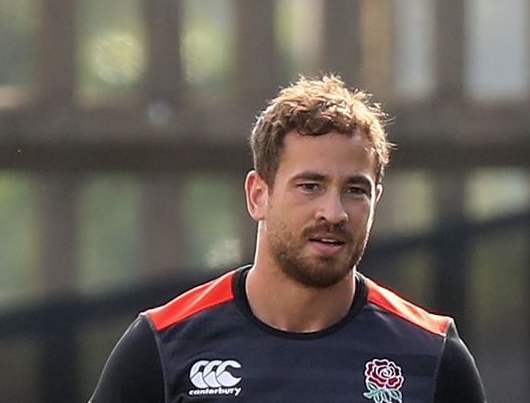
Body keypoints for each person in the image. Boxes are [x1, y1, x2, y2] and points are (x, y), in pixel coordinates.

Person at [89, 75, 486, 403]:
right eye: (310, 186)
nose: (334, 212)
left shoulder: (432, 356)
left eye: (355, 190)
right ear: (258, 195)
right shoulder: (162, 347)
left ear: (375, 200)